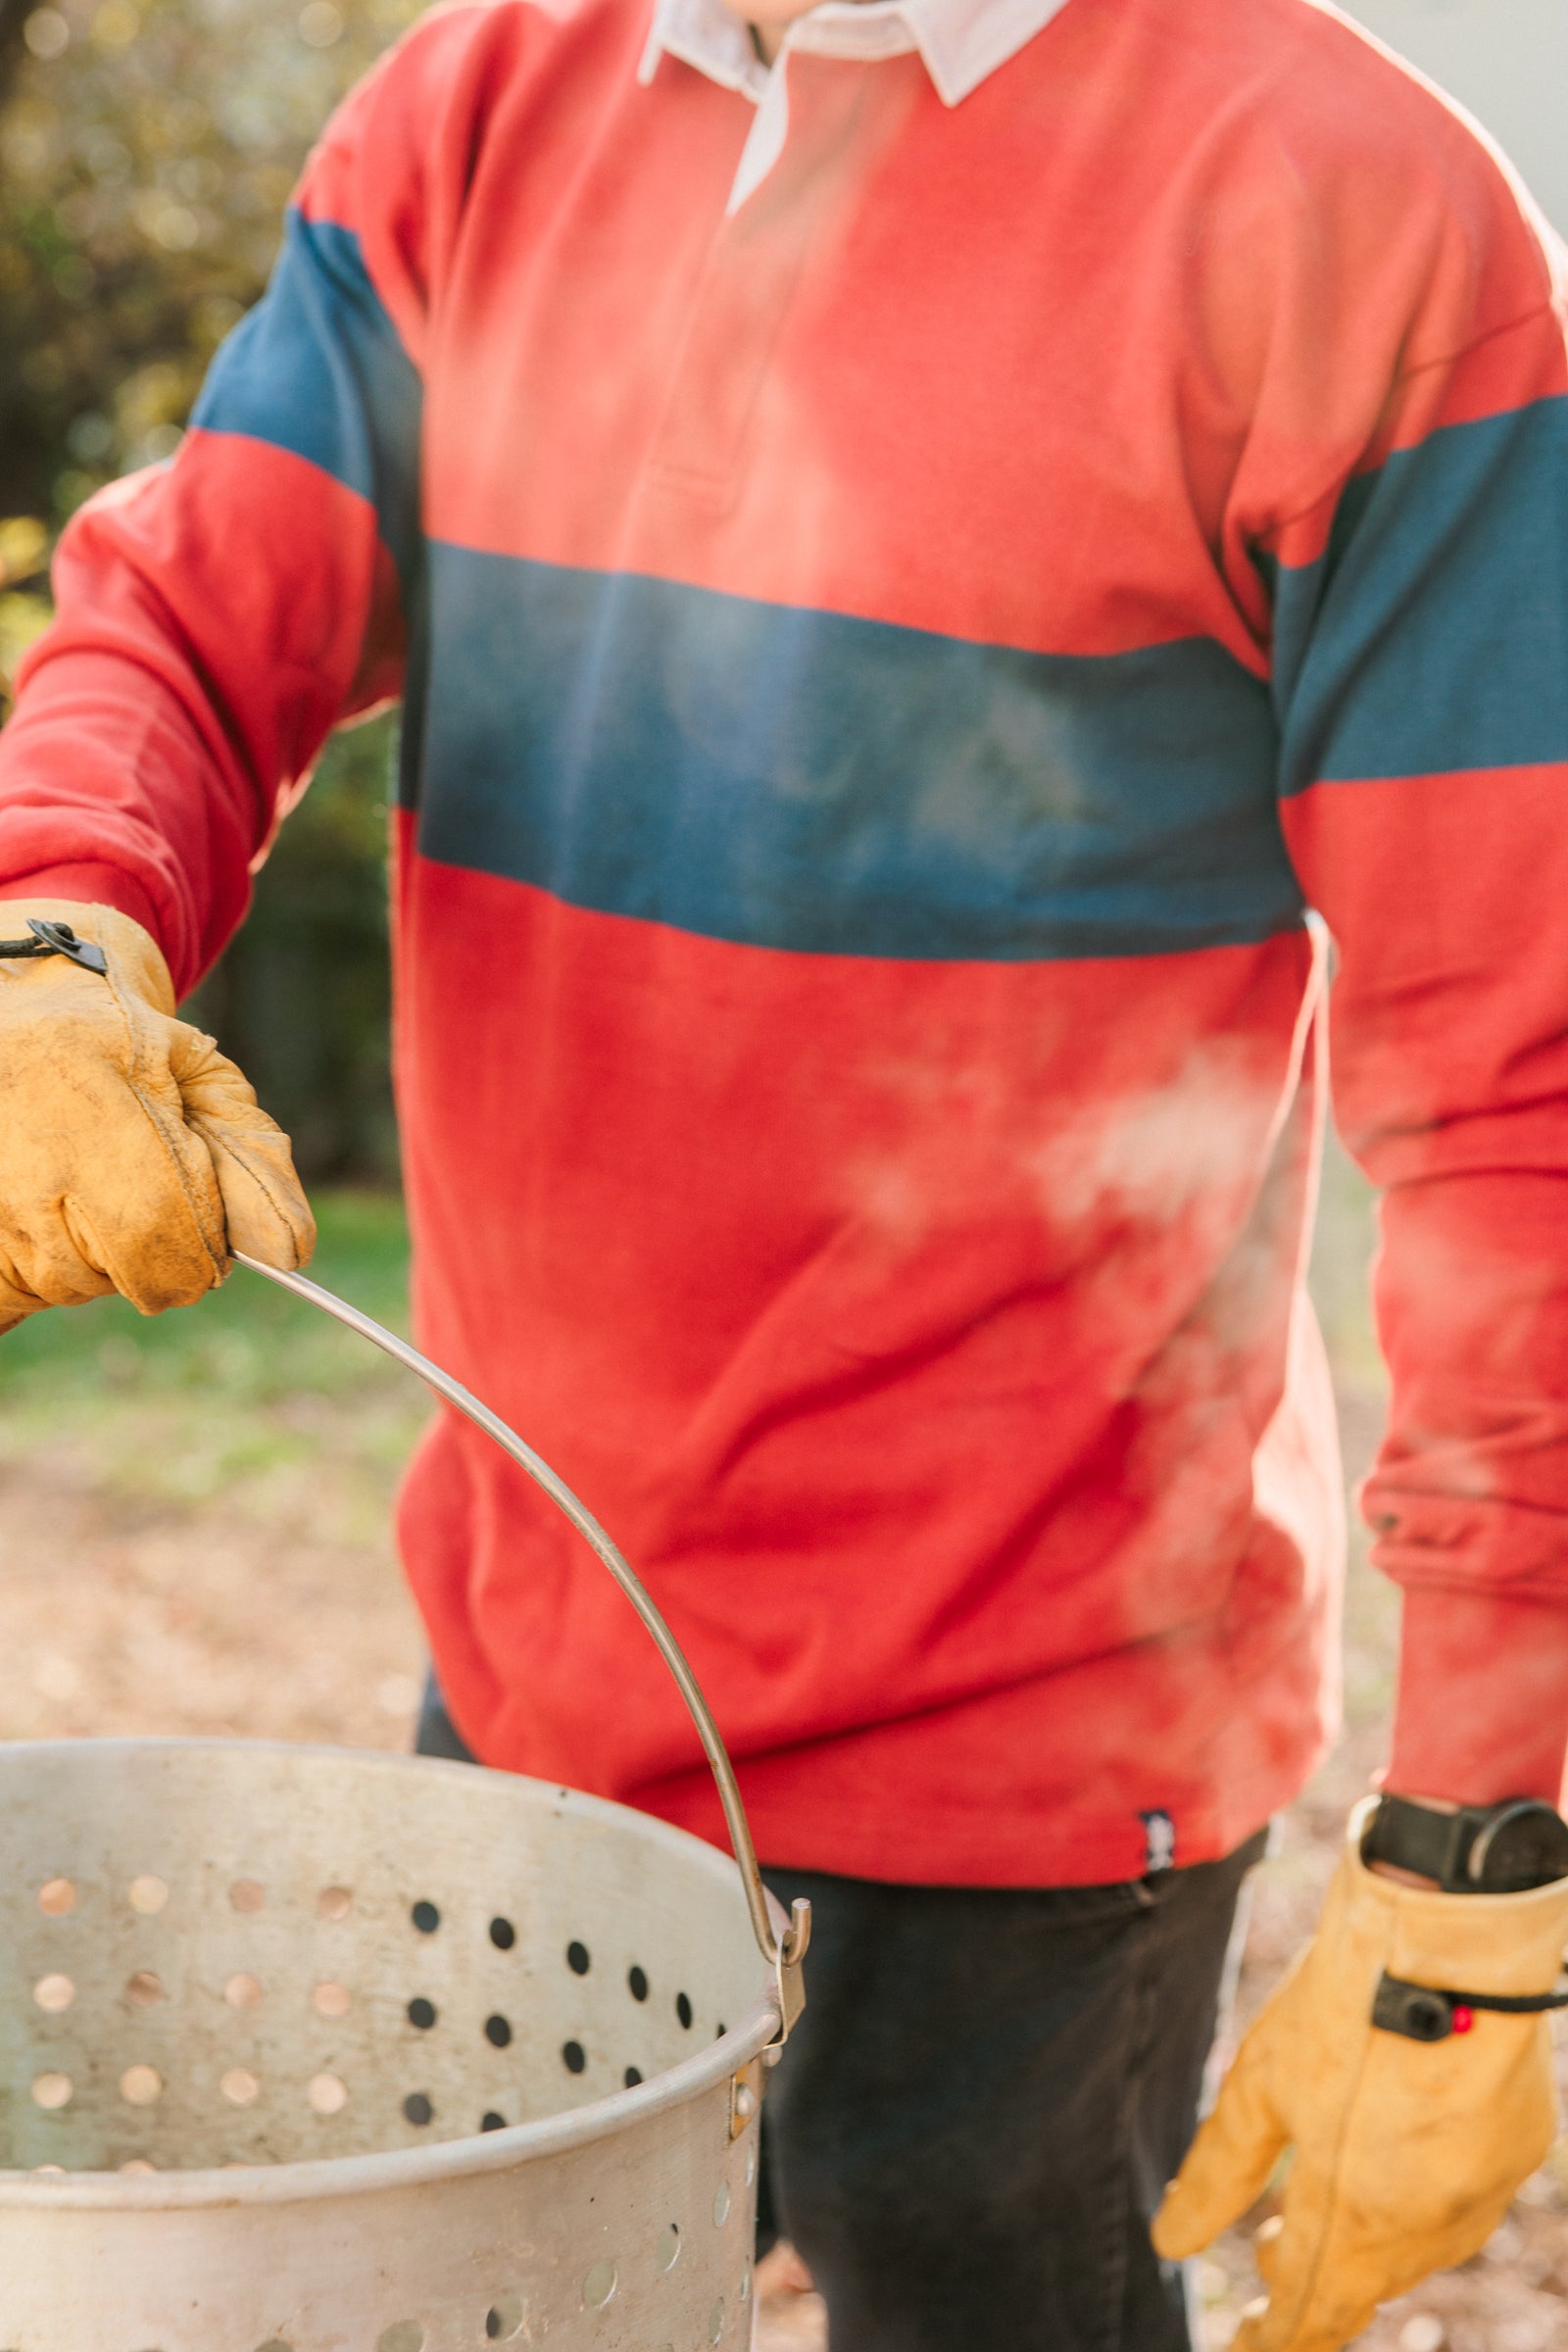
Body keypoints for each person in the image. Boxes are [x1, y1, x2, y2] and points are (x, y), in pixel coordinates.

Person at [3, 0, 1568, 2342]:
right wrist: (56, 927)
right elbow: (194, 628)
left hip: (1047, 1771)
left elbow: (1515, 1083)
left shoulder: (1344, 202)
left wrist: (1477, 1859)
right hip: (538, 1670)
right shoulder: (473, 109)